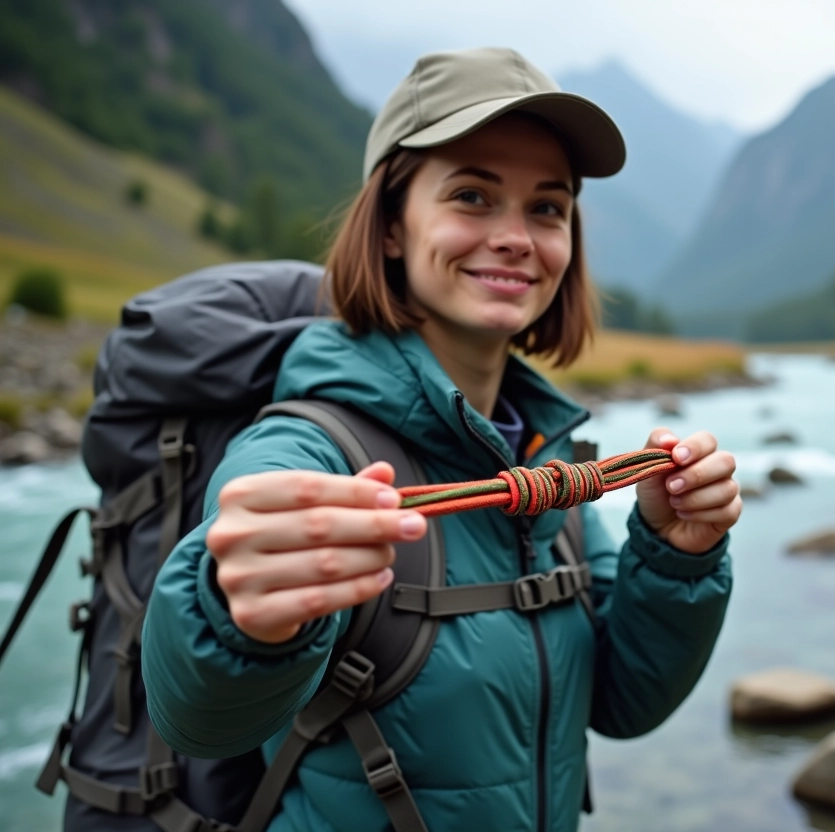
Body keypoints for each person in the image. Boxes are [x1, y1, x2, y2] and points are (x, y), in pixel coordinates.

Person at [142, 47, 738, 832]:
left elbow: (622, 703)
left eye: (547, 208)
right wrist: (234, 609)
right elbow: (203, 721)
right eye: (472, 196)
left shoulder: (547, 461)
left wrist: (677, 555)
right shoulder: (305, 451)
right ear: (391, 227)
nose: (517, 237)